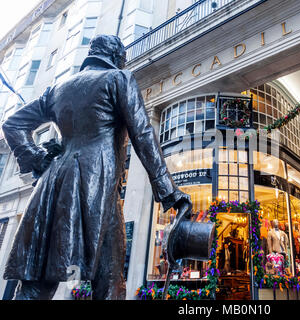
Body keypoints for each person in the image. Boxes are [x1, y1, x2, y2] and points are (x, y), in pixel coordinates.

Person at [1, 35, 192, 300]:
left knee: (40, 286)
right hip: (95, 185)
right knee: (109, 281)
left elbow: (12, 124)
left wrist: (36, 158)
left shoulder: (56, 89)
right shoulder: (119, 79)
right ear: (117, 58)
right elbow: (143, 134)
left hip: (56, 185)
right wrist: (168, 191)